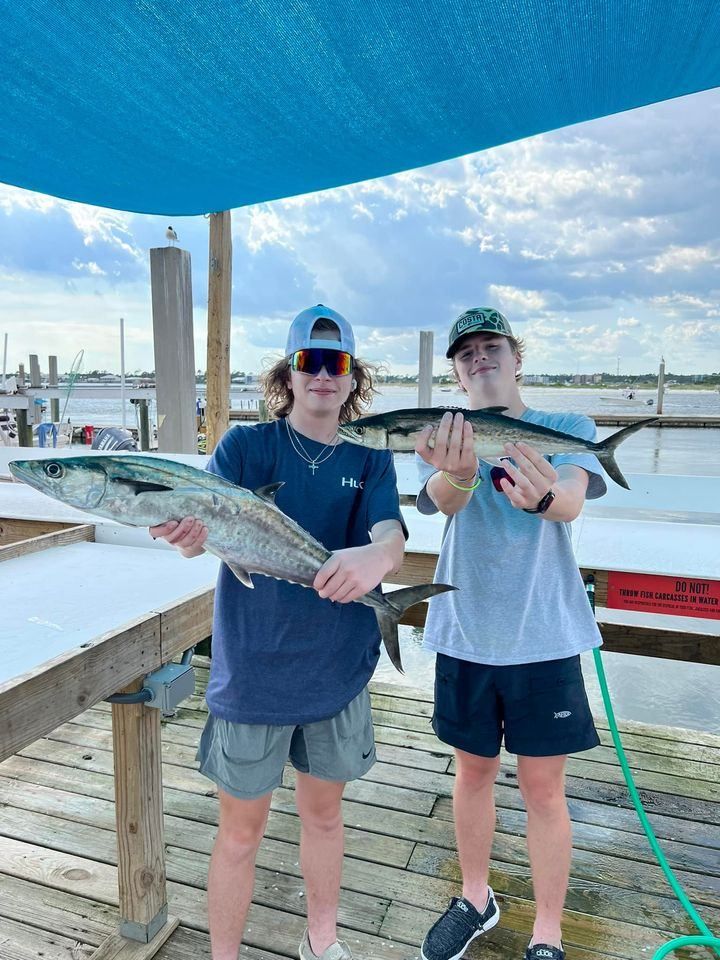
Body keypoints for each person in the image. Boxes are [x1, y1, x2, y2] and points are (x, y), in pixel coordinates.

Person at [150, 305, 407, 960]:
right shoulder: (244, 447)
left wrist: (378, 559)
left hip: (338, 672)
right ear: (289, 373)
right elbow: (198, 525)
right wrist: (186, 539)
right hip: (253, 673)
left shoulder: (371, 458)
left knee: (324, 815)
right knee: (240, 833)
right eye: (309, 361)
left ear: (353, 379)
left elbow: (390, 534)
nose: (323, 374)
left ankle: (323, 942)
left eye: (337, 362)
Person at [415, 307, 605, 960]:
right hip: (465, 631)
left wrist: (545, 500)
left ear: (516, 357)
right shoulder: (443, 431)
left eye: (491, 346)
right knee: (472, 774)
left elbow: (574, 497)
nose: (480, 359)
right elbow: (442, 498)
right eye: (466, 353)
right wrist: (461, 471)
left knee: (543, 788)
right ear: (457, 372)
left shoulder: (566, 428)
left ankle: (547, 934)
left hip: (544, 635)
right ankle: (476, 899)